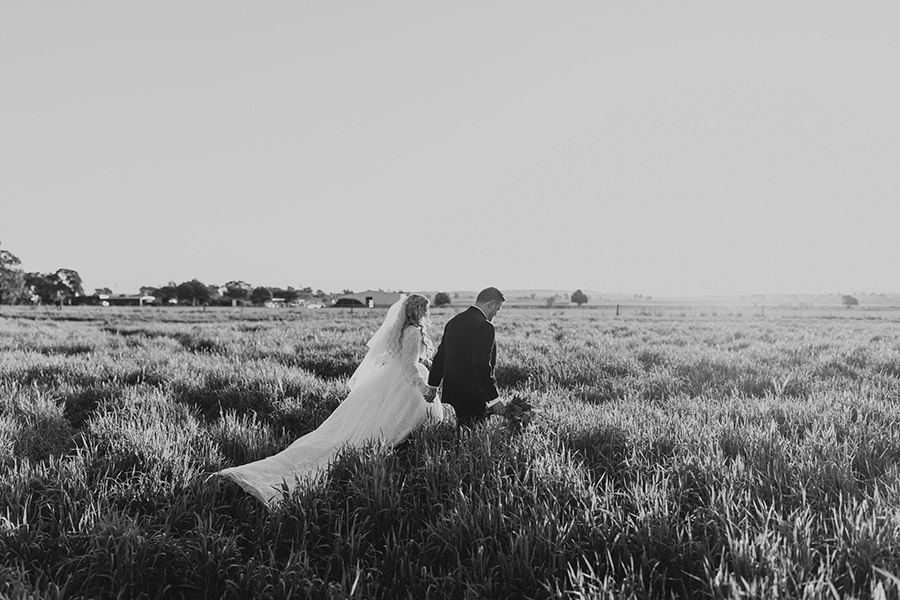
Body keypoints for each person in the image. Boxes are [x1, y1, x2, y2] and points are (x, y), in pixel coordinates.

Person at [219, 294, 442, 506]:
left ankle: (396, 450)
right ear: (417, 310)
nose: (427, 312)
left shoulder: (403, 329)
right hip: (403, 380)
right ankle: (394, 452)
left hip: (389, 378)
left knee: (367, 423)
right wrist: (423, 387)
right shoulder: (413, 331)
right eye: (425, 308)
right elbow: (409, 365)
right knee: (389, 423)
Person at [428, 287, 504, 428]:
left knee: (461, 432)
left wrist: (433, 384)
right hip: (472, 393)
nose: (495, 314)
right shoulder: (484, 326)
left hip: (453, 390)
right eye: (497, 310)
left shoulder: (453, 321)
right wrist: (494, 399)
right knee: (472, 437)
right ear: (491, 304)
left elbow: (441, 355)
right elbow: (481, 365)